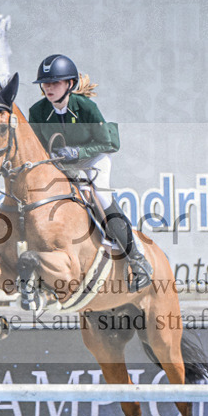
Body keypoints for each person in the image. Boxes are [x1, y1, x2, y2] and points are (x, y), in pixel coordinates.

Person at [27, 54, 152, 292]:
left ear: (70, 85)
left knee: (101, 198)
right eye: (45, 83)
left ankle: (138, 261)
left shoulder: (86, 107)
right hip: (63, 164)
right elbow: (38, 147)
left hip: (94, 160)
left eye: (55, 82)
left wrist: (79, 150)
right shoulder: (37, 112)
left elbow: (108, 143)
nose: (48, 88)